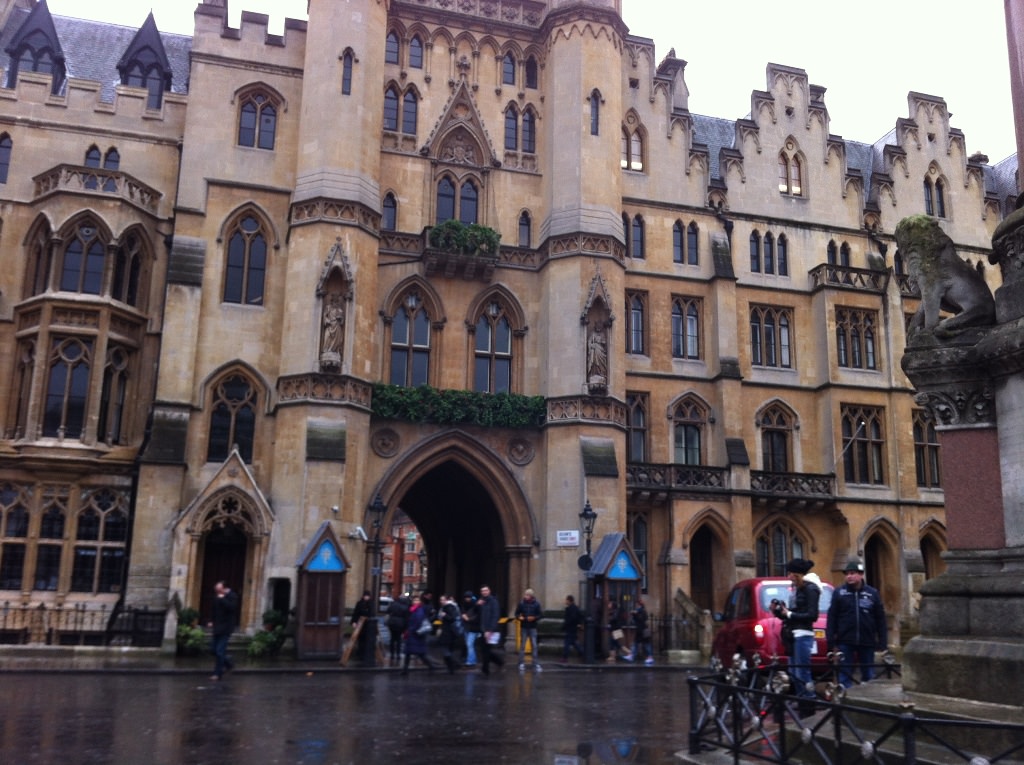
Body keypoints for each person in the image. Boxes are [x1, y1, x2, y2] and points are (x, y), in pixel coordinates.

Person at [826, 557, 888, 688]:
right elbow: (832, 616)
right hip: (845, 640)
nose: (849, 576)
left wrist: (883, 641)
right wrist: (830, 639)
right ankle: (845, 702)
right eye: (847, 574)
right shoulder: (839, 593)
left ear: (861, 574)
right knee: (844, 675)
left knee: (868, 675)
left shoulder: (872, 593)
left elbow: (880, 618)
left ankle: (867, 703)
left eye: (853, 573)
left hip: (867, 640)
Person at [773, 558, 821, 708]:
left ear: (797, 574)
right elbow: (792, 613)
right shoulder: (797, 589)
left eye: (790, 574)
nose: (788, 577)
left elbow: (812, 615)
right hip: (792, 634)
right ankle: (801, 699)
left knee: (802, 671)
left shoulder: (811, 589)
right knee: (793, 672)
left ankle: (809, 699)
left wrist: (789, 615)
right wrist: (778, 612)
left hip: (803, 634)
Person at [208, 580, 238, 681]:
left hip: (226, 628)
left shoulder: (232, 596)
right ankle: (228, 663)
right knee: (213, 650)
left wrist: (222, 599)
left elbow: (232, 608)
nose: (217, 591)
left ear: (225, 588)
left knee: (220, 651)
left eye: (219, 589)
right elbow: (213, 610)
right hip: (217, 627)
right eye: (216, 590)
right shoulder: (217, 596)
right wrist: (211, 620)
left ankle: (217, 673)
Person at [401, 594, 437, 675]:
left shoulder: (419, 610)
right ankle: (405, 670)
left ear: (420, 602)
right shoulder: (412, 610)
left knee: (420, 654)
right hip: (412, 634)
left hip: (416, 635)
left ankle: (431, 667)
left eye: (417, 600)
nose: (415, 602)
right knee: (408, 653)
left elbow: (417, 622)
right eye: (414, 600)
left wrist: (411, 630)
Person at [477, 584, 505, 675]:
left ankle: (485, 669)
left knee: (486, 650)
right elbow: (478, 614)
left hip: (489, 629)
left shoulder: (493, 602)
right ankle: (499, 662)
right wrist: (477, 605)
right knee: (484, 649)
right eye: (482, 591)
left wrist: (490, 630)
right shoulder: (481, 602)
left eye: (486, 590)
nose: (484, 592)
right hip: (482, 629)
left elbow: (495, 616)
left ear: (489, 591)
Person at [514, 588, 543, 671]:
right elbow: (516, 614)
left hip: (533, 627)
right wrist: (520, 617)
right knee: (522, 646)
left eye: (527, 595)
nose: (525, 596)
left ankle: (535, 663)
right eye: (525, 594)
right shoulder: (521, 604)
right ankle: (521, 663)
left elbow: (540, 615)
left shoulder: (537, 604)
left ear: (531, 596)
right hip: (524, 627)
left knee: (534, 646)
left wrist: (534, 618)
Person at [438, 594, 464, 673]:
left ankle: (454, 664)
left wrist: (444, 615)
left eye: (443, 600)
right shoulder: (446, 607)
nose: (441, 601)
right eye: (440, 600)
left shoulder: (449, 607)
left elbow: (452, 618)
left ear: (446, 600)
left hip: (449, 632)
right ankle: (452, 666)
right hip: (449, 631)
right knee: (448, 649)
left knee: (446, 649)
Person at [385, 594, 411, 666]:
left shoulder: (393, 604)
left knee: (392, 639)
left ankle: (392, 654)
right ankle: (398, 655)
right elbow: (407, 618)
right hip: (401, 623)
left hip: (392, 622)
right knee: (399, 639)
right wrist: (406, 627)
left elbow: (388, 611)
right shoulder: (406, 606)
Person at [351, 590, 373, 663]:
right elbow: (355, 613)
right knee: (360, 640)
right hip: (360, 624)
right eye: (365, 596)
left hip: (368, 625)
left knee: (366, 640)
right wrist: (354, 622)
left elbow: (372, 614)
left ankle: (364, 654)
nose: (366, 597)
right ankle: (360, 654)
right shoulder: (359, 603)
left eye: (367, 596)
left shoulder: (371, 604)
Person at [561, 594, 584, 662]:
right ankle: (582, 653)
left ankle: (565, 657)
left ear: (569, 600)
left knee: (567, 644)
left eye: (566, 600)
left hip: (570, 628)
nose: (565, 601)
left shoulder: (572, 608)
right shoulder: (574, 608)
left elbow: (571, 618)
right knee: (574, 643)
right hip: (572, 628)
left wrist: (565, 626)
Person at [461, 590, 481, 667]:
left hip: (473, 627)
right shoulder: (464, 604)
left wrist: (469, 619)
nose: (467, 599)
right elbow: (462, 611)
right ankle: (472, 660)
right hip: (466, 627)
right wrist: (463, 615)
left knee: (469, 644)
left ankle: (471, 661)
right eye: (466, 597)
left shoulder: (476, 605)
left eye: (468, 597)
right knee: (469, 644)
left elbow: (478, 616)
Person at [632, 599, 654, 665]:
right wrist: (634, 615)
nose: (635, 606)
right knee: (636, 643)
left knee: (646, 644)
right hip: (640, 630)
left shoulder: (642, 611)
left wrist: (635, 614)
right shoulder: (640, 611)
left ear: (638, 605)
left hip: (643, 630)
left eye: (636, 604)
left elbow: (641, 620)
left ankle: (650, 657)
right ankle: (632, 655)